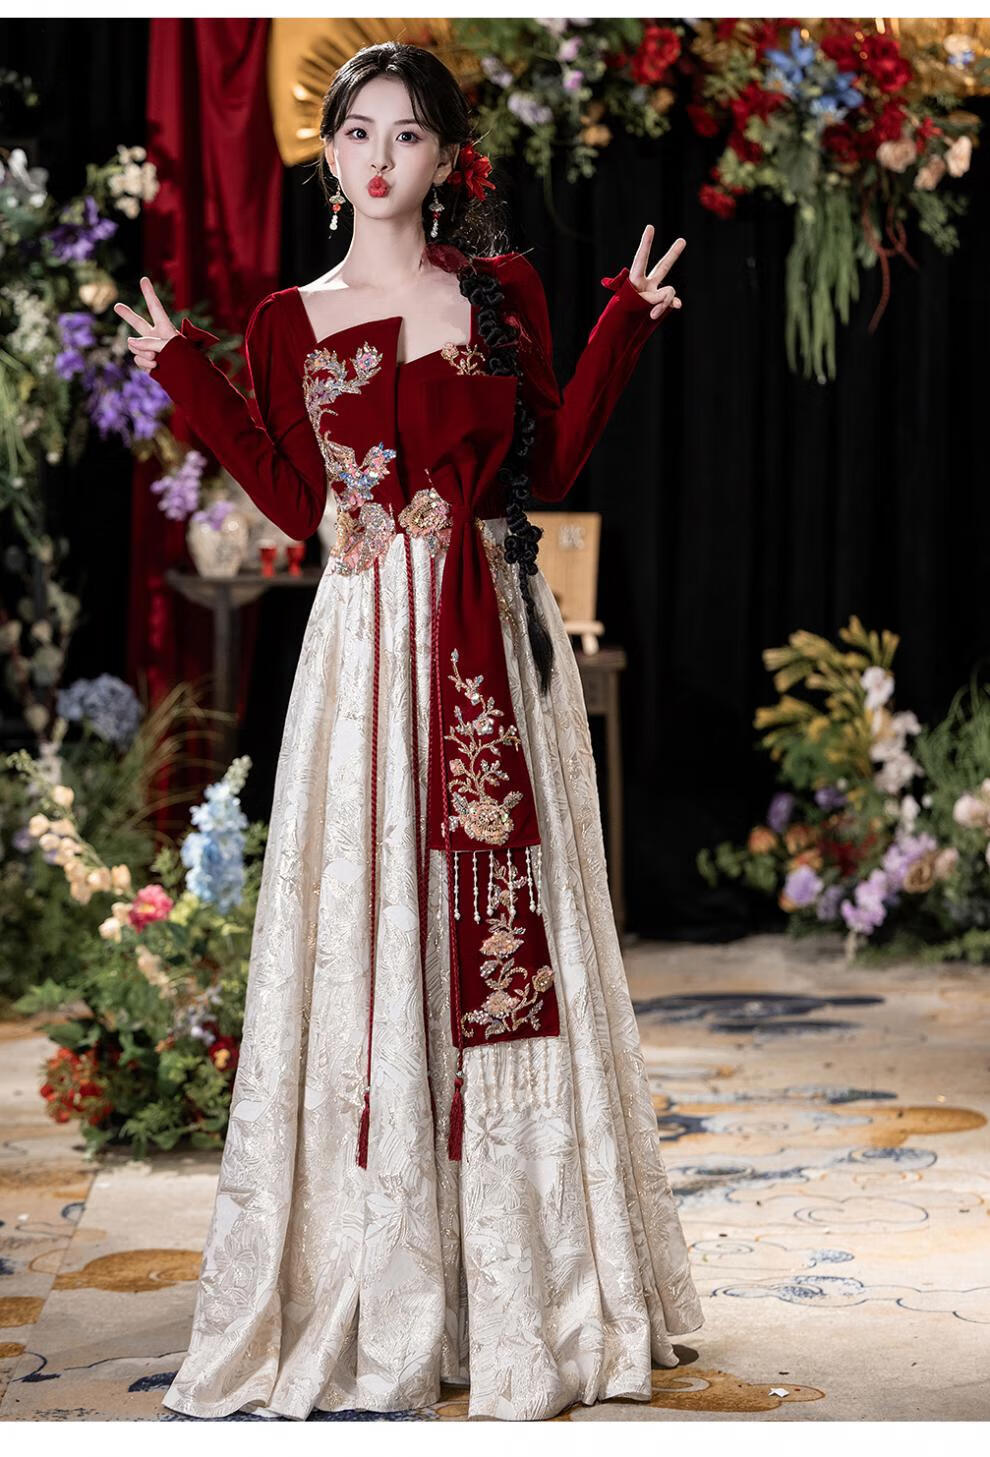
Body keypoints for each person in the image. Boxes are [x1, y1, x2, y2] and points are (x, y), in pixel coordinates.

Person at [117, 40, 702, 1423]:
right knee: (376, 927)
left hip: (487, 629)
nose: (379, 157)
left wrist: (623, 323)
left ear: (446, 161)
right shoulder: (288, 319)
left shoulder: (497, 294)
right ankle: (379, 1275)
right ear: (329, 157)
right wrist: (186, 375)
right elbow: (288, 497)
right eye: (357, 133)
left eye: (408, 135)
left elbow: (553, 460)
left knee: (502, 928)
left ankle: (523, 1280)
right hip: (370, 649)